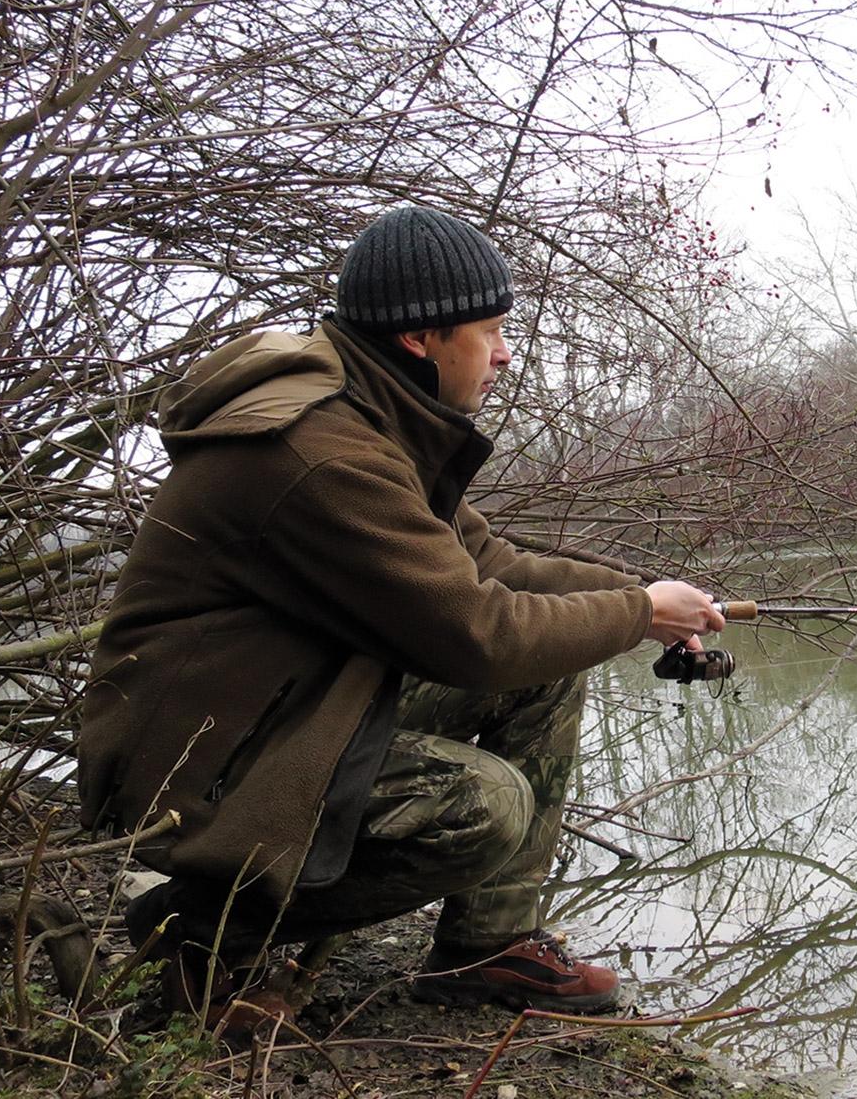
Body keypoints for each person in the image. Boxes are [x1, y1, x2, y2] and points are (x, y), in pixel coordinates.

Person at [75, 205, 725, 1027]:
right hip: (197, 766)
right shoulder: (319, 453)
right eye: (489, 331)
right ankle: (197, 929)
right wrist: (637, 612)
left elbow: (492, 565)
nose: (504, 352)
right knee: (484, 806)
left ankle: (485, 948)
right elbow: (476, 634)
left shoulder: (371, 417)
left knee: (548, 672)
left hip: (276, 711)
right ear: (420, 337)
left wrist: (648, 600)